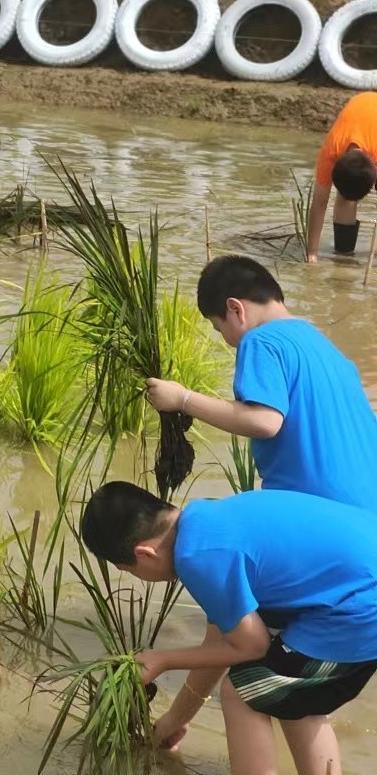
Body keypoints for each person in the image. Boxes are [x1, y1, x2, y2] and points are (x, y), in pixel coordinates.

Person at [142, 253, 377, 749]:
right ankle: (176, 725)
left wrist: (182, 399)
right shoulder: (325, 348)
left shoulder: (262, 340)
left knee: (245, 676)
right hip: (358, 534)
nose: (228, 341)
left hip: (315, 521)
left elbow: (264, 420)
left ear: (236, 309)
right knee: (294, 692)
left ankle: (173, 725)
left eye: (219, 328)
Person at [82, 481, 377, 775]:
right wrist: (177, 718)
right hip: (358, 587)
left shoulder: (195, 558)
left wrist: (162, 660)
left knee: (243, 692)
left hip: (359, 609)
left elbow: (252, 646)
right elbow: (222, 645)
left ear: (145, 553)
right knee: (292, 696)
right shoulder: (208, 519)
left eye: (129, 570)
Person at [304, 92, 377, 263]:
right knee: (346, 200)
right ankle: (343, 253)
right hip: (359, 109)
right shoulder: (330, 152)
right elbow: (320, 201)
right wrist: (312, 253)